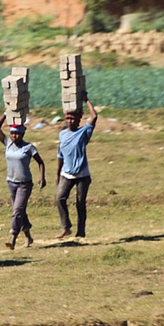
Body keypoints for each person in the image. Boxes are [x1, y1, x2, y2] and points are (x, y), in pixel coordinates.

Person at [0, 116, 46, 249]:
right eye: (12, 133)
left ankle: (13, 238)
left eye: (17, 133)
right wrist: (6, 113)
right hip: (11, 182)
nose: (14, 136)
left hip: (24, 184)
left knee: (17, 211)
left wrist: (42, 177)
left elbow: (40, 162)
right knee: (20, 211)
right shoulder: (8, 143)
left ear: (23, 134)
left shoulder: (28, 147)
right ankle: (29, 238)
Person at [55, 96, 98, 239]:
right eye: (67, 118)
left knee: (80, 203)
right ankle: (66, 227)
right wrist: (57, 174)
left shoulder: (83, 133)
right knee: (60, 198)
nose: (69, 121)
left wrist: (86, 100)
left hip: (82, 175)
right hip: (66, 174)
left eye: (72, 119)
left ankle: (81, 232)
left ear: (78, 120)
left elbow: (94, 116)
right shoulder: (62, 134)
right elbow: (60, 155)